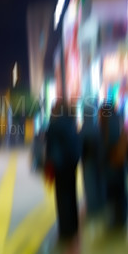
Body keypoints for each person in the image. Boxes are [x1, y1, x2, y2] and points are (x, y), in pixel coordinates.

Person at [46, 100, 81, 240]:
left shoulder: (54, 125)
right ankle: (73, 226)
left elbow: (49, 146)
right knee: (72, 194)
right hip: (72, 163)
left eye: (53, 108)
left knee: (62, 197)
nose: (52, 110)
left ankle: (65, 230)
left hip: (60, 165)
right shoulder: (72, 122)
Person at [99, 102, 128, 229]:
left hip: (111, 163)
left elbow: (108, 144)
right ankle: (121, 218)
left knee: (112, 193)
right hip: (120, 161)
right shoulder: (118, 119)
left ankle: (116, 220)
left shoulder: (108, 124)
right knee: (121, 192)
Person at [80, 104, 105, 218]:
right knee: (99, 182)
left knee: (89, 185)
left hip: (87, 161)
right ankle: (100, 205)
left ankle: (92, 207)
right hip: (99, 160)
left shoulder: (83, 129)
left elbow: (79, 147)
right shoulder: (97, 128)